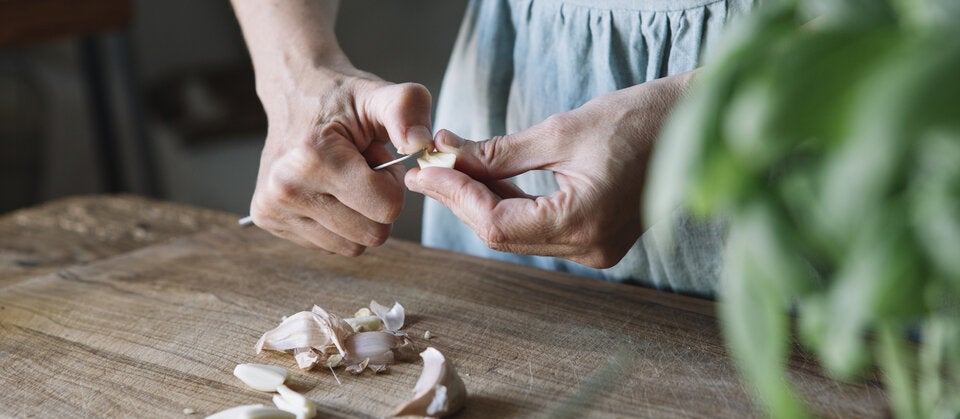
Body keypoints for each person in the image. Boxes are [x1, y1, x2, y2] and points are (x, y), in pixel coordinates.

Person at [230, 0, 757, 298]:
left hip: (795, 94)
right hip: (522, 60)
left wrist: (701, 111)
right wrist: (295, 76)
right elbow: (293, 71)